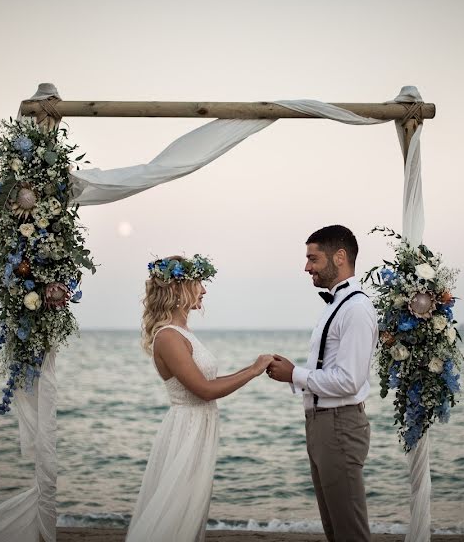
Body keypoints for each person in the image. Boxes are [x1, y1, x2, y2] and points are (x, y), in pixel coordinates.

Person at [126, 254, 273, 542]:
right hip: (186, 428)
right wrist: (254, 371)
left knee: (190, 506)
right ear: (179, 289)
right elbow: (204, 390)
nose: (204, 290)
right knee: (176, 507)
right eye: (199, 284)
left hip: (200, 424)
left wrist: (254, 365)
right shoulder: (168, 337)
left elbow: (207, 382)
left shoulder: (183, 332)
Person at [266, 225, 378, 542]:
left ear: (339, 257)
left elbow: (349, 380)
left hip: (339, 426)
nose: (307, 267)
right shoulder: (336, 306)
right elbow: (330, 371)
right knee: (335, 530)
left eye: (312, 258)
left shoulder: (356, 308)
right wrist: (291, 373)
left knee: (350, 531)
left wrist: (294, 374)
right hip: (321, 425)